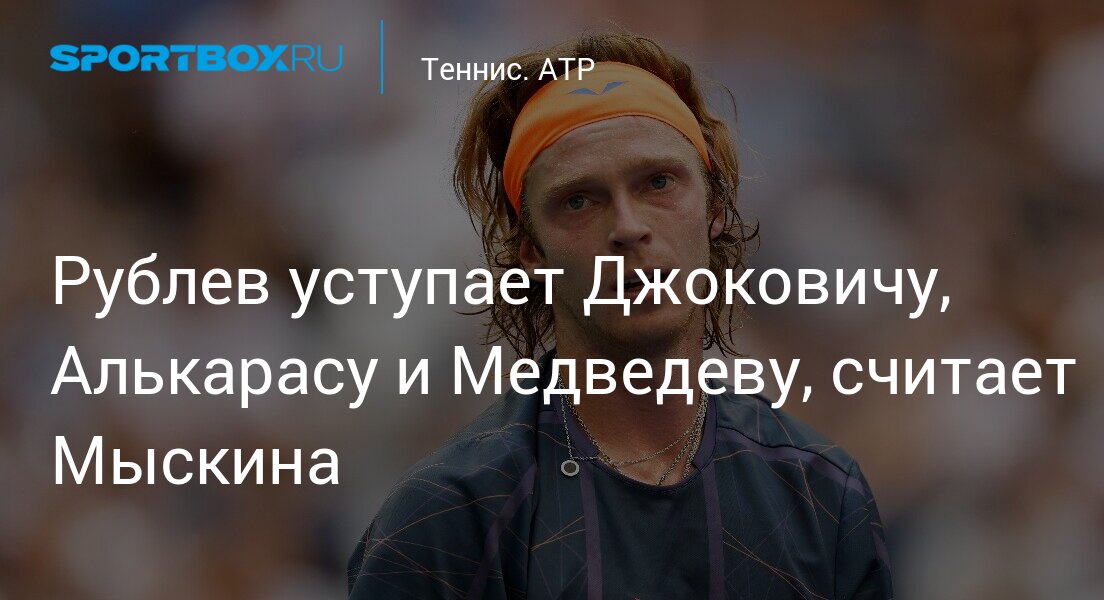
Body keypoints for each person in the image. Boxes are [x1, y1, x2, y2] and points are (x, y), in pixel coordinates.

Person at [348, 32, 892, 599]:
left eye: (658, 182)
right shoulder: (443, 522)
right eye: (579, 200)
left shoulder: (823, 495)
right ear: (531, 252)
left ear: (714, 208)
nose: (628, 227)